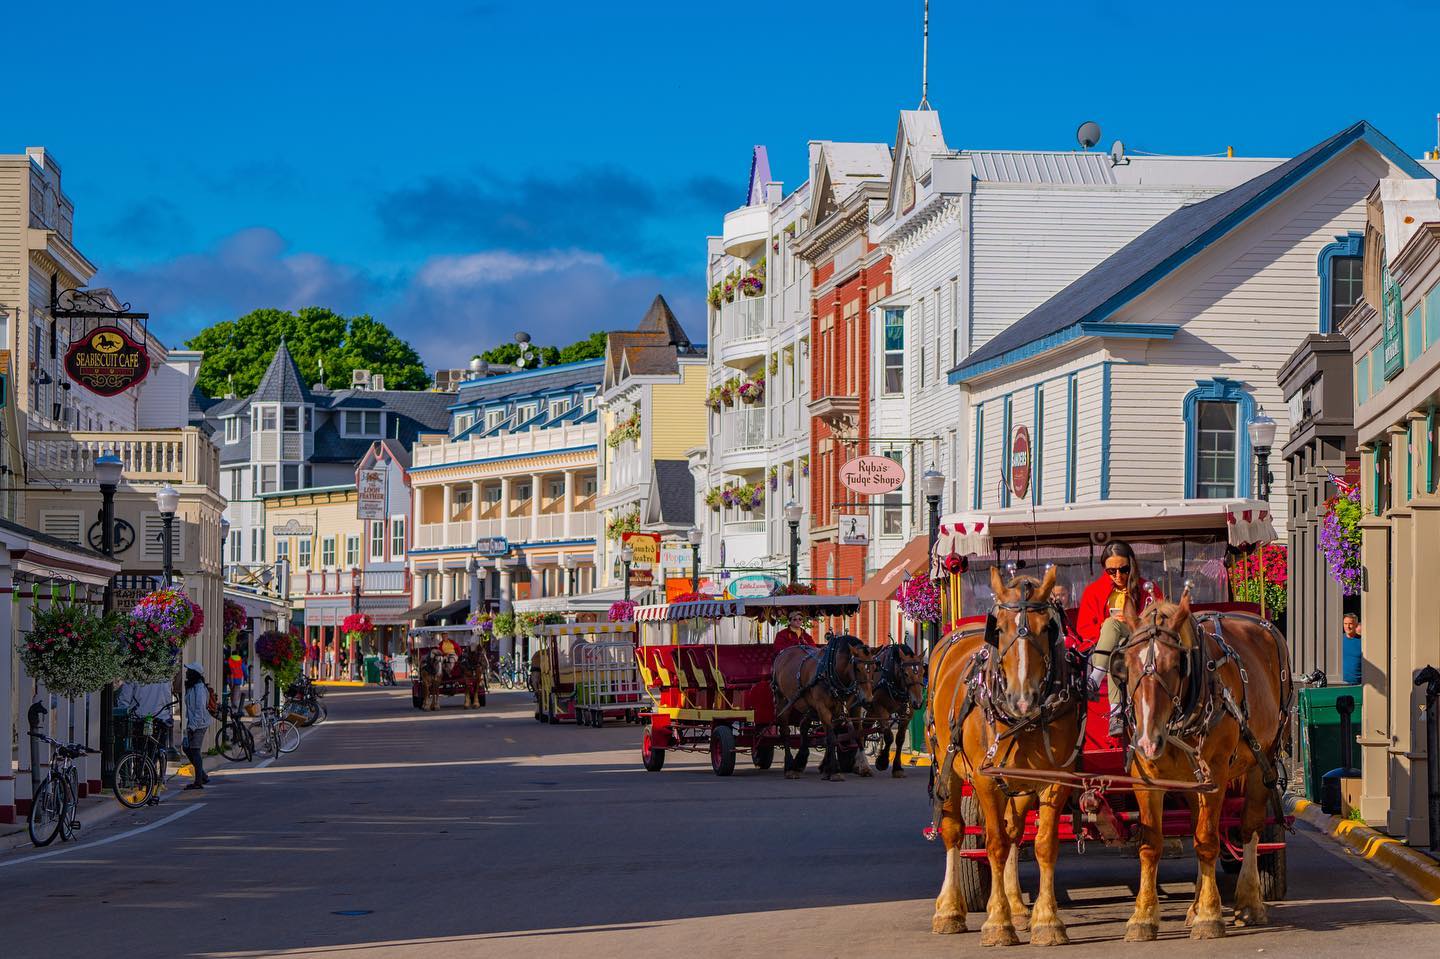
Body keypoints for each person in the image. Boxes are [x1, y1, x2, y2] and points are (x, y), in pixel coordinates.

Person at [1076, 541, 1164, 738]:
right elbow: (1084, 628)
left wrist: (1135, 622)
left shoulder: (1147, 588)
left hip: (1140, 643)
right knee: (1111, 633)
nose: (1118, 576)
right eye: (1111, 571)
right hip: (1109, 648)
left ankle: (1094, 680)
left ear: (1131, 565)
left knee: (1113, 630)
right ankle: (1116, 713)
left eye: (1123, 569)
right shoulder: (1094, 591)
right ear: (1104, 570)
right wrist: (1108, 628)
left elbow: (1160, 620)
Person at [182, 662, 213, 790]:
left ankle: (198, 781)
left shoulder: (199, 688)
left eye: (189, 670)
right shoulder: (192, 686)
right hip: (193, 722)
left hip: (199, 723)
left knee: (194, 750)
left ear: (194, 673)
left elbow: (199, 709)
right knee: (186, 748)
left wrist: (193, 726)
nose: (186, 672)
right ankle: (203, 775)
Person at [1341, 613, 1362, 685]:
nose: (1348, 626)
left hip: (1358, 685)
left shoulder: (1363, 642)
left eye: (1350, 624)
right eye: (1345, 623)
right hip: (1339, 683)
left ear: (1356, 625)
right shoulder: (1338, 640)